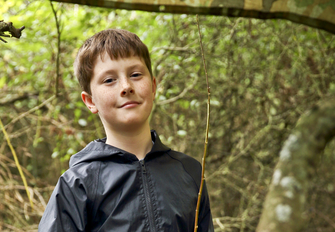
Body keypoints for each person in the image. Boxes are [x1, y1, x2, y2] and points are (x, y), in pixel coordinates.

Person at [38, 29, 214, 232]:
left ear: (153, 86)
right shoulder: (78, 184)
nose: (126, 86)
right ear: (90, 101)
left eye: (136, 75)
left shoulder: (190, 173)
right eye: (109, 80)